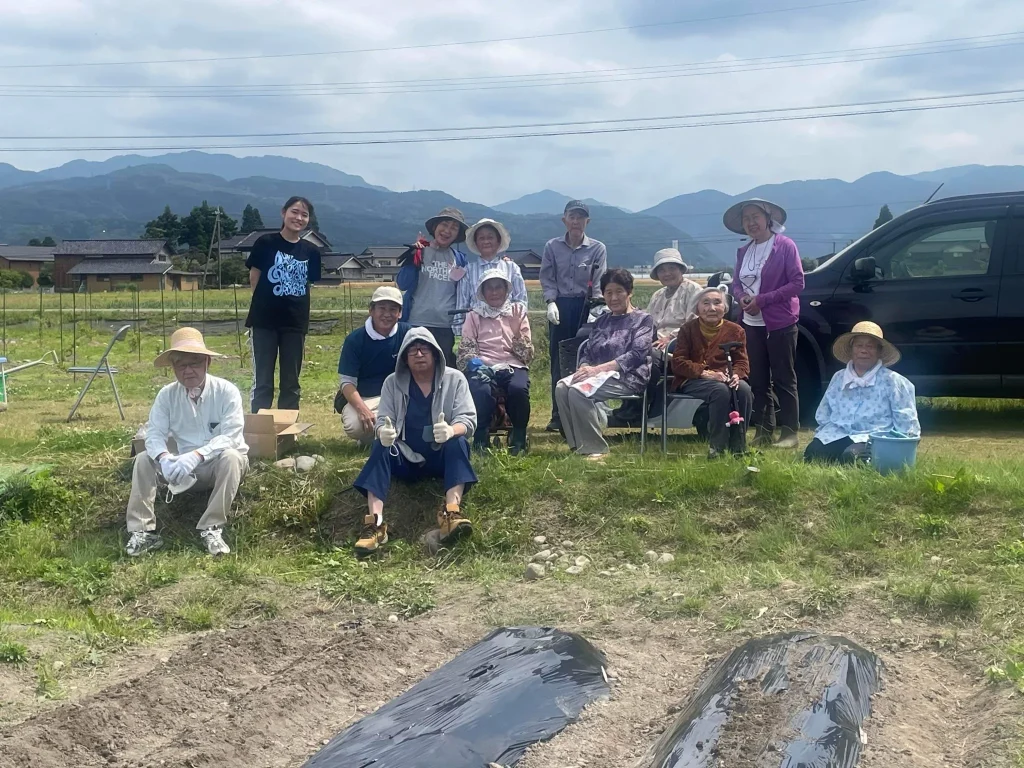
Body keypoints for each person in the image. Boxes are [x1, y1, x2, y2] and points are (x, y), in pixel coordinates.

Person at [352, 328, 478, 556]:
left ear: (435, 353)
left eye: (424, 349)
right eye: (412, 351)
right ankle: (375, 524)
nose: (419, 354)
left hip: (440, 456)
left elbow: (468, 420)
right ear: (404, 359)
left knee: (458, 442)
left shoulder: (455, 379)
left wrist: (451, 430)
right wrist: (383, 432)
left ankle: (451, 513)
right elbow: (382, 420)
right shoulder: (392, 383)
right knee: (380, 446)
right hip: (405, 458)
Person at [125, 328, 248, 557]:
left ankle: (212, 527)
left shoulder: (226, 391)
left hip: (215, 464)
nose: (188, 370)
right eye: (181, 365)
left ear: (207, 363)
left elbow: (231, 436)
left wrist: (197, 455)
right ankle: (142, 531)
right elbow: (154, 434)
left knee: (232, 457)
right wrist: (164, 458)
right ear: (173, 367)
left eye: (194, 363)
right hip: (181, 466)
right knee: (143, 459)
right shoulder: (166, 395)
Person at [725, 198, 805, 449]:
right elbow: (736, 283)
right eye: (746, 219)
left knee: (784, 377)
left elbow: (797, 283)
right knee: (758, 378)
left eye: (755, 217)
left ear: (768, 219)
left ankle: (790, 432)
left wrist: (762, 300)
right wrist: (742, 298)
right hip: (751, 323)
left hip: (780, 322)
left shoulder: (785, 246)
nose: (751, 222)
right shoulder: (743, 251)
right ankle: (763, 429)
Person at [554, 268, 653, 460]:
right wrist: (584, 367)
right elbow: (588, 351)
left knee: (578, 392)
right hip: (598, 375)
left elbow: (637, 354)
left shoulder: (643, 319)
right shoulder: (602, 321)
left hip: (629, 376)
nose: (613, 298)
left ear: (630, 292)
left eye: (619, 291)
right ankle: (577, 445)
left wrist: (596, 370)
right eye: (608, 292)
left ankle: (596, 449)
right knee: (561, 388)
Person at [245, 196, 322, 412]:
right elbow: (254, 276)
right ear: (283, 213)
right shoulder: (266, 243)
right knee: (263, 380)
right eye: (294, 212)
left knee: (291, 381)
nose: (299, 218)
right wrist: (264, 302)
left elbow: (308, 283)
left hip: (295, 322)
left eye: (304, 215)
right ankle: (260, 425)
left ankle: (288, 426)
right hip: (264, 321)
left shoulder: (311, 251)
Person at [805, 321, 920, 464]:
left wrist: (903, 448)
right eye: (859, 345)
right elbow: (824, 411)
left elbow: (906, 420)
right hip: (838, 433)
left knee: (851, 457)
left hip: (873, 437)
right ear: (851, 349)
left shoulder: (893, 381)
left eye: (870, 346)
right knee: (812, 454)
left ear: (879, 352)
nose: (863, 351)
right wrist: (823, 433)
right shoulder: (839, 377)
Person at [540, 200, 608, 433]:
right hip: (560, 306)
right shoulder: (552, 246)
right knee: (559, 359)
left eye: (581, 217)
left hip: (586, 306)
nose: (576, 221)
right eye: (572, 216)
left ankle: (586, 413)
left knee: (587, 358)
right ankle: (558, 415)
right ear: (564, 220)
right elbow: (547, 277)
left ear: (588, 221)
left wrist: (597, 308)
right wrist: (550, 302)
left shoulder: (597, 248)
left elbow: (599, 280)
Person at [613, 247, 700, 426]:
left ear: (681, 269)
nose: (667, 273)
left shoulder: (694, 290)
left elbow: (695, 324)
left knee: (645, 357)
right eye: (662, 270)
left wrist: (670, 338)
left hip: (680, 345)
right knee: (627, 351)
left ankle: (635, 409)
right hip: (654, 344)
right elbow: (647, 322)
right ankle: (632, 406)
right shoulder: (658, 295)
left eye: (672, 268)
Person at [670, 287, 753, 459]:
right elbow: (678, 362)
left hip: (725, 378)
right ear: (697, 308)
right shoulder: (687, 329)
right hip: (693, 380)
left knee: (744, 390)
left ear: (725, 307)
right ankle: (717, 448)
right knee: (720, 391)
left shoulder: (736, 331)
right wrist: (704, 373)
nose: (712, 308)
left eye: (717, 303)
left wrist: (736, 375)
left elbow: (742, 362)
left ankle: (739, 447)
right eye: (706, 303)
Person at [457, 271, 534, 455]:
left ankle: (519, 437)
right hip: (483, 365)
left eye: (498, 287)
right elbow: (465, 351)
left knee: (518, 389)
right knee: (480, 390)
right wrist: (478, 366)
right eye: (489, 288)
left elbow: (527, 356)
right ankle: (481, 437)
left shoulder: (517, 313)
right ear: (482, 292)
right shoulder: (474, 316)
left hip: (513, 365)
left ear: (506, 290)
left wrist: (516, 332)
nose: (494, 292)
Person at [336, 286, 411, 444]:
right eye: (381, 308)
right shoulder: (354, 340)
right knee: (354, 425)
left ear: (400, 313)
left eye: (393, 309)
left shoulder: (409, 334)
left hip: (399, 396)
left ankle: (382, 435)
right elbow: (347, 383)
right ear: (371, 310)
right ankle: (383, 434)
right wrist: (362, 409)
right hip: (366, 398)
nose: (387, 314)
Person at [395, 207, 469, 367]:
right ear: (435, 227)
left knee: (443, 369)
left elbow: (468, 288)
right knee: (415, 367)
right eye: (444, 224)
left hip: (445, 326)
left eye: (454, 228)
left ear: (458, 234)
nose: (447, 231)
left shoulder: (459, 259)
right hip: (416, 322)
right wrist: (412, 258)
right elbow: (403, 284)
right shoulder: (420, 251)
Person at [457, 217, 528, 325]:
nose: (486, 241)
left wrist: (517, 327)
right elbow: (461, 306)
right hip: (476, 328)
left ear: (498, 241)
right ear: (476, 243)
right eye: (481, 238)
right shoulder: (468, 271)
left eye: (490, 237)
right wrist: (461, 330)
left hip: (507, 328)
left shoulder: (511, 268)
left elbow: (520, 301)